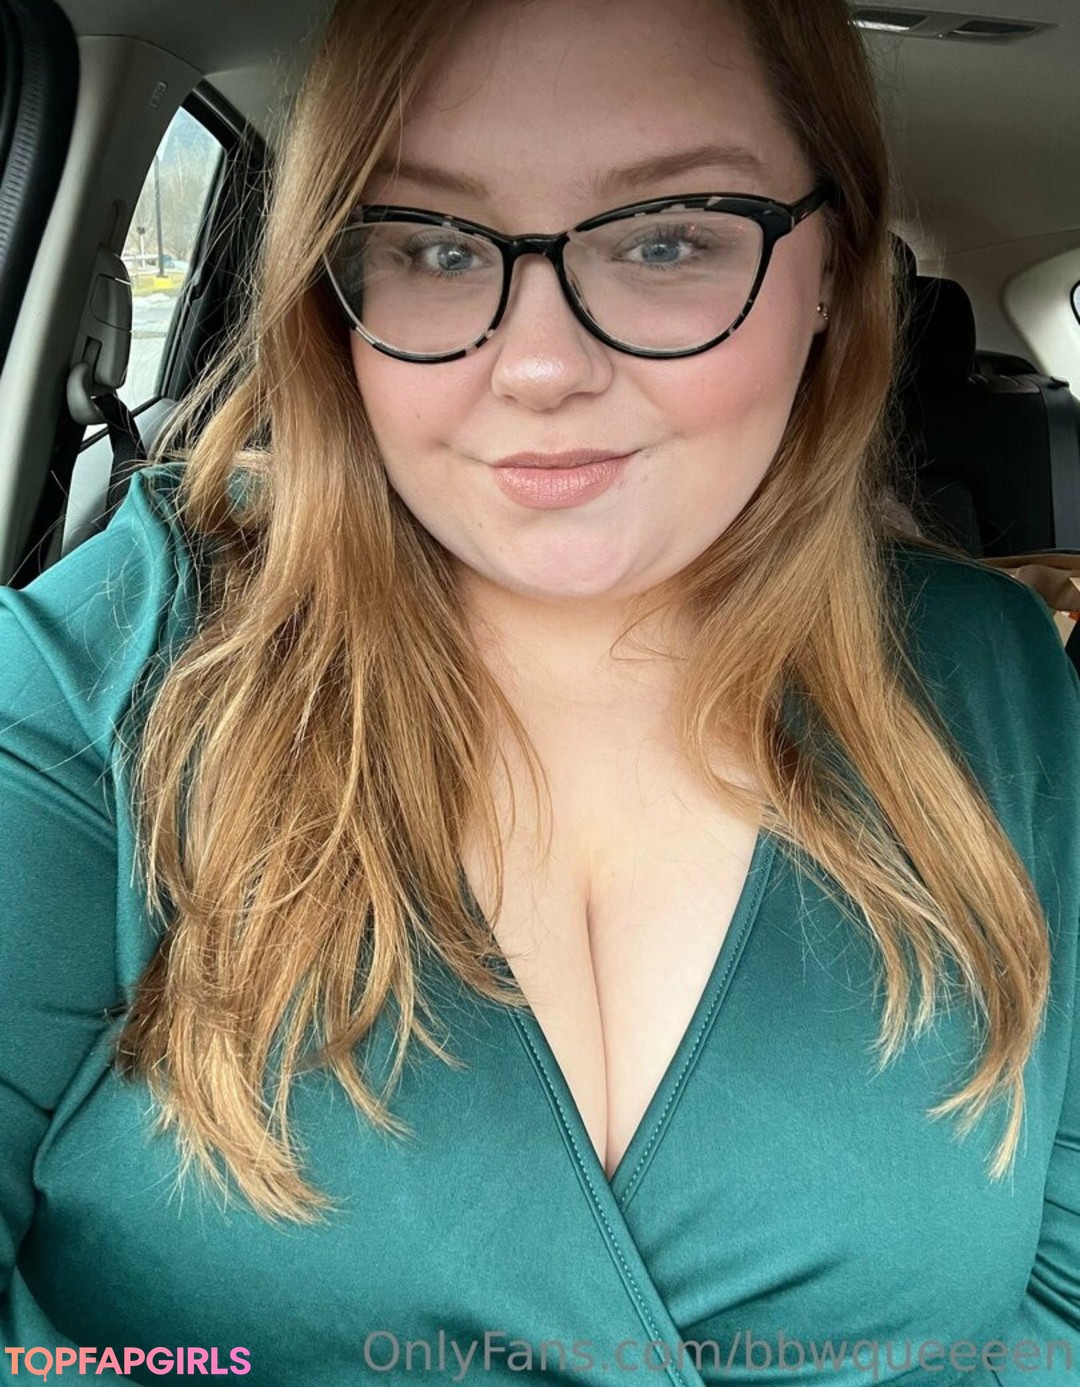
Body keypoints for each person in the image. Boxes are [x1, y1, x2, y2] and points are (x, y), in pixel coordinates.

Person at [1, 0, 1078, 1382]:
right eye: (437, 248)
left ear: (833, 271)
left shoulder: (993, 679)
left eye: (667, 239)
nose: (541, 366)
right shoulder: (109, 669)